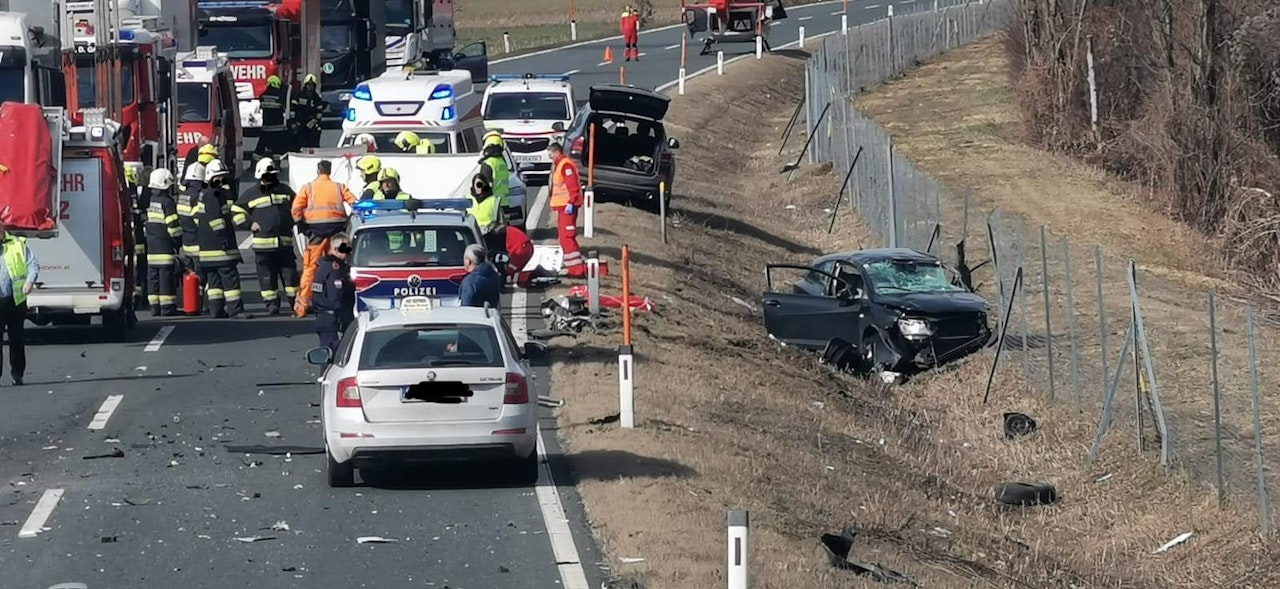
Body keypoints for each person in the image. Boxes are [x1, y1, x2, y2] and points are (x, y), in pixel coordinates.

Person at [232, 158, 299, 315]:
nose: (272, 179)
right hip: (263, 246)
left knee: (290, 276)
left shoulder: (285, 190)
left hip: (284, 243)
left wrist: (295, 221)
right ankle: (272, 305)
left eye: (274, 175)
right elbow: (236, 211)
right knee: (267, 277)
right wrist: (249, 224)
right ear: (260, 175)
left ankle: (295, 303)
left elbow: (298, 206)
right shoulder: (251, 194)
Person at [291, 159, 357, 317]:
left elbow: (296, 208)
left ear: (318, 171)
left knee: (310, 268)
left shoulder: (308, 187)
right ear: (330, 171)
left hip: (316, 235)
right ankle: (346, 301)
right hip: (338, 234)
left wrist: (301, 225)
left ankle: (302, 307)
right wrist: (349, 220)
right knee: (343, 265)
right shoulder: (339, 187)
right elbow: (355, 203)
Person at [196, 159, 246, 318]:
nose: (223, 180)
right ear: (212, 177)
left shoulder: (205, 193)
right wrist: (224, 241)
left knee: (214, 281)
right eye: (220, 177)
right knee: (230, 278)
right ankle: (235, 310)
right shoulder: (214, 194)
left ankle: (216, 310)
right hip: (220, 248)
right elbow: (216, 220)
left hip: (206, 248)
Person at [0, 220, 36, 385]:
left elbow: (33, 265)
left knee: (17, 339)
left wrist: (29, 281)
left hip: (15, 301)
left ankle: (17, 373)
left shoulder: (17, 244)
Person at [143, 168, 182, 316]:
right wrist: (177, 241)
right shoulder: (167, 202)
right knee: (166, 277)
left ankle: (154, 307)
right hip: (165, 245)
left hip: (151, 245)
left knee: (153, 277)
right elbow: (173, 227)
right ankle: (167, 308)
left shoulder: (149, 200)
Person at [547, 142, 587, 277]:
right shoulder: (560, 165)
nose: (550, 157)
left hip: (567, 206)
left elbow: (572, 185)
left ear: (556, 151)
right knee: (564, 237)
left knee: (568, 237)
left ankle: (576, 269)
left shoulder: (565, 165)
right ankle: (571, 266)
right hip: (563, 207)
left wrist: (571, 201)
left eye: (551, 154)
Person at [311, 235, 355, 354]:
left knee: (328, 353)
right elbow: (336, 296)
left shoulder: (324, 266)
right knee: (334, 355)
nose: (349, 252)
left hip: (323, 316)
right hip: (334, 319)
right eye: (346, 248)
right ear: (335, 249)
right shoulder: (335, 269)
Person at [176, 161, 206, 277]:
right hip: (197, 241)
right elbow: (199, 220)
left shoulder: (183, 195)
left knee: (189, 273)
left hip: (186, 241)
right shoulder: (197, 195)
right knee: (200, 273)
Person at [125, 165, 147, 307]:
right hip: (137, 239)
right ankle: (138, 296)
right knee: (139, 268)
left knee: (133, 268)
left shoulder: (122, 194)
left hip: (130, 240)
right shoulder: (137, 195)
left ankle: (135, 296)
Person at [255, 75, 291, 158]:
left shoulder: (263, 96)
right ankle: (277, 165)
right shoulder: (280, 97)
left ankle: (253, 165)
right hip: (278, 128)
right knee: (277, 149)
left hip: (266, 128)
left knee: (260, 149)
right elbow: (283, 108)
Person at [477, 132, 511, 220]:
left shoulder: (488, 163)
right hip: (504, 203)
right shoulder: (501, 162)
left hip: (493, 205)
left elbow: (483, 187)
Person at [458, 243, 501, 310]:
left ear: (468, 261)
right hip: (491, 317)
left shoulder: (469, 282)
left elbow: (466, 309)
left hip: (475, 318)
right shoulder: (494, 276)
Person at [291, 74, 325, 148]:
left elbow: (319, 112)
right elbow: (293, 109)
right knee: (300, 140)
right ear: (305, 85)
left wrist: (316, 122)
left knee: (315, 134)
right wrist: (293, 122)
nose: (310, 87)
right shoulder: (299, 95)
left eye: (312, 85)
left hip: (311, 123)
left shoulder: (316, 98)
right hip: (300, 122)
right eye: (309, 85)